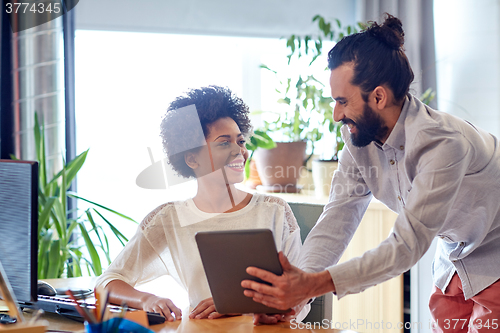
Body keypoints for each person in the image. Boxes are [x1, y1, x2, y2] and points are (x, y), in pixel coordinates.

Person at [241, 14, 500, 332]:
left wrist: (313, 285)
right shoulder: (358, 142)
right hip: (454, 258)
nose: (336, 114)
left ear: (379, 97)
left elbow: (406, 246)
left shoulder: (442, 143)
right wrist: (295, 298)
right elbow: (336, 221)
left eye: (342, 101)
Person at [95, 86, 309, 324]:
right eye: (223, 143)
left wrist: (237, 305)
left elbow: (301, 292)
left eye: (240, 141)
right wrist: (147, 300)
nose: (239, 151)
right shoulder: (169, 218)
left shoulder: (274, 211)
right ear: (191, 158)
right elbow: (108, 282)